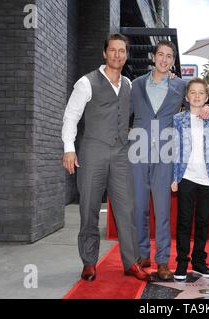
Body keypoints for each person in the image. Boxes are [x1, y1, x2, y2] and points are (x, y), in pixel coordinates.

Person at [61, 34, 150, 282]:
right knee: (89, 208)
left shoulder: (129, 85)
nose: (117, 55)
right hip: (93, 152)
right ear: (105, 53)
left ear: (126, 55)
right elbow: (71, 116)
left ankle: (131, 262)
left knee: (127, 209)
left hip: (121, 154)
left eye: (122, 51)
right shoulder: (86, 82)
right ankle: (89, 262)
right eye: (113, 50)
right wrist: (69, 147)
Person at [130, 40, 209, 280]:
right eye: (161, 55)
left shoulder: (180, 85)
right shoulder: (135, 85)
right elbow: (123, 112)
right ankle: (142, 253)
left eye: (169, 56)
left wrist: (208, 108)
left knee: (163, 210)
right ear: (153, 57)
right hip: (138, 150)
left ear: (173, 61)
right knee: (139, 208)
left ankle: (163, 261)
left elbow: (197, 102)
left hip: (166, 153)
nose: (164, 59)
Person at [171, 78, 209, 280]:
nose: (196, 96)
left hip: (208, 179)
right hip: (186, 177)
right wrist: (174, 177)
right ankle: (182, 262)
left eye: (200, 93)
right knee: (184, 222)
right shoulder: (178, 120)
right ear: (186, 97)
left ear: (206, 97)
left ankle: (199, 261)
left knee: (203, 222)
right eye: (192, 93)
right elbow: (175, 150)